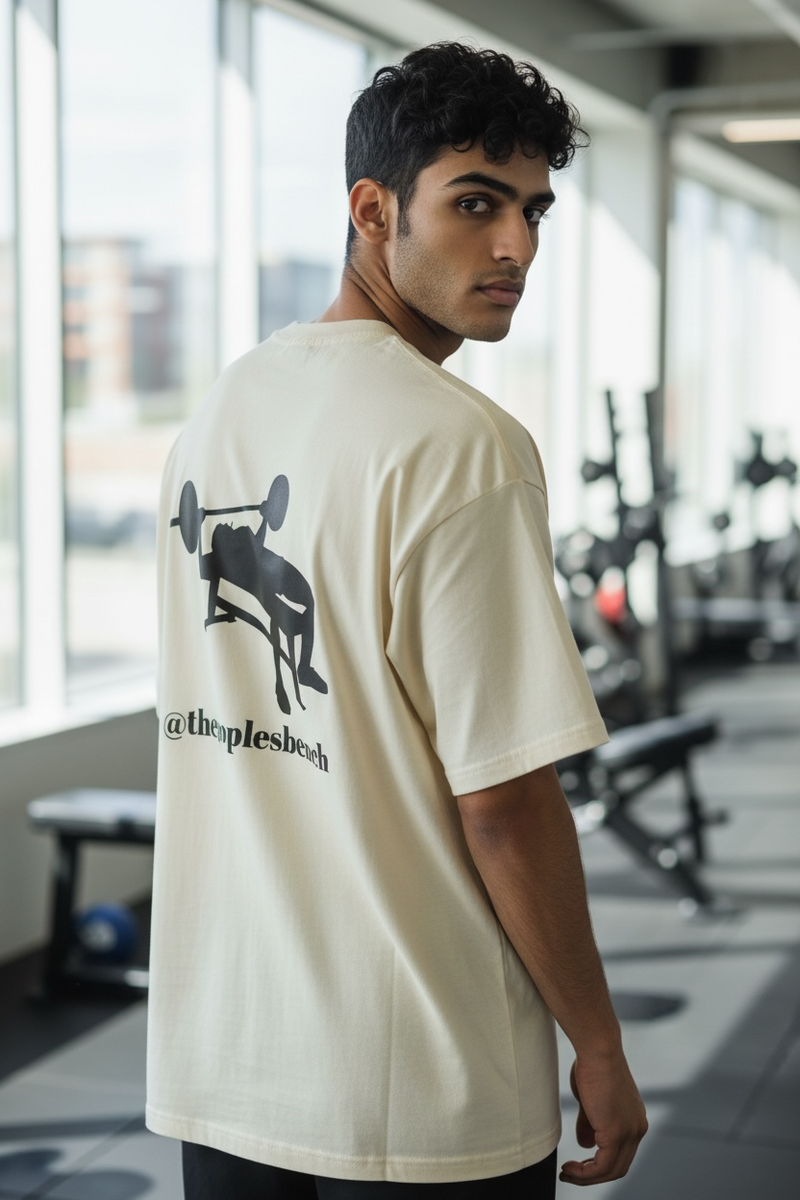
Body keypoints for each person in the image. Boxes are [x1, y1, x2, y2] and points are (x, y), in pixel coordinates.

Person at [146, 41, 647, 1200]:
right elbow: (506, 804)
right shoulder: (459, 447)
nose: (515, 245)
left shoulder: (218, 416)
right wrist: (601, 1045)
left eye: (532, 210)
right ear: (372, 210)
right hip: (421, 1092)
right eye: (474, 204)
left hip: (223, 1070)